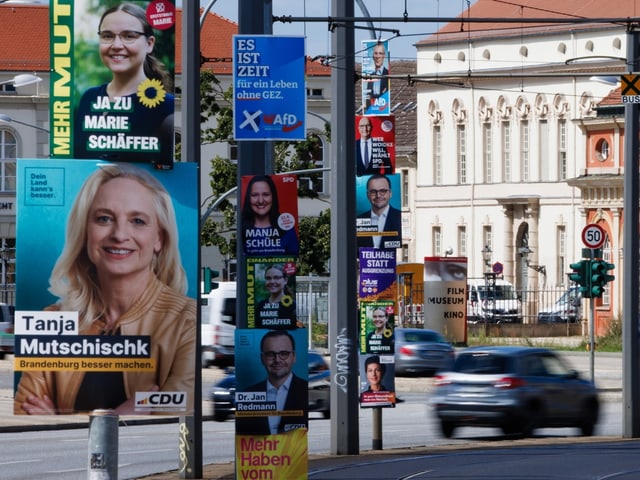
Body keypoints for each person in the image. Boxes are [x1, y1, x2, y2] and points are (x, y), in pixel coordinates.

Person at [14, 163, 196, 415]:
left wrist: (58, 420)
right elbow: (26, 419)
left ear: (159, 239)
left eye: (138, 221)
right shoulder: (51, 321)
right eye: (104, 218)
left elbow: (173, 416)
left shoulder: (187, 321)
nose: (120, 234)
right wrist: (119, 415)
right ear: (85, 231)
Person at [74, 3, 175, 168]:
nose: (117, 45)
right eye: (107, 36)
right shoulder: (89, 98)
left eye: (129, 36)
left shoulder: (165, 107)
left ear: (149, 44)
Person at [236, 330, 308, 435]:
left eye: (284, 353)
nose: (277, 360)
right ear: (262, 358)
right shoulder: (246, 395)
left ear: (294, 357)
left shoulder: (305, 391)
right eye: (270, 354)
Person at [241, 175, 299, 256]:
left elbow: (293, 261)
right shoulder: (241, 229)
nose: (260, 201)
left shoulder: (287, 229)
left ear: (273, 197)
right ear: (248, 198)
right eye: (255, 195)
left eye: (266, 194)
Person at [357, 174, 402, 249]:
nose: (378, 195)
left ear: (390, 193)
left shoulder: (399, 217)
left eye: (382, 191)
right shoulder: (358, 219)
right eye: (373, 192)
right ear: (367, 195)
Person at [256, 264, 300, 328]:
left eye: (276, 278)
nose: (272, 281)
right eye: (268, 278)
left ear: (285, 280)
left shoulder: (293, 306)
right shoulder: (261, 305)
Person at [364, 42, 389, 109]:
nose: (378, 56)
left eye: (380, 53)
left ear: (384, 56)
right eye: (376, 53)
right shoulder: (370, 76)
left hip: (383, 107)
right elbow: (368, 95)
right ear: (373, 56)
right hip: (372, 108)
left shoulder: (388, 74)